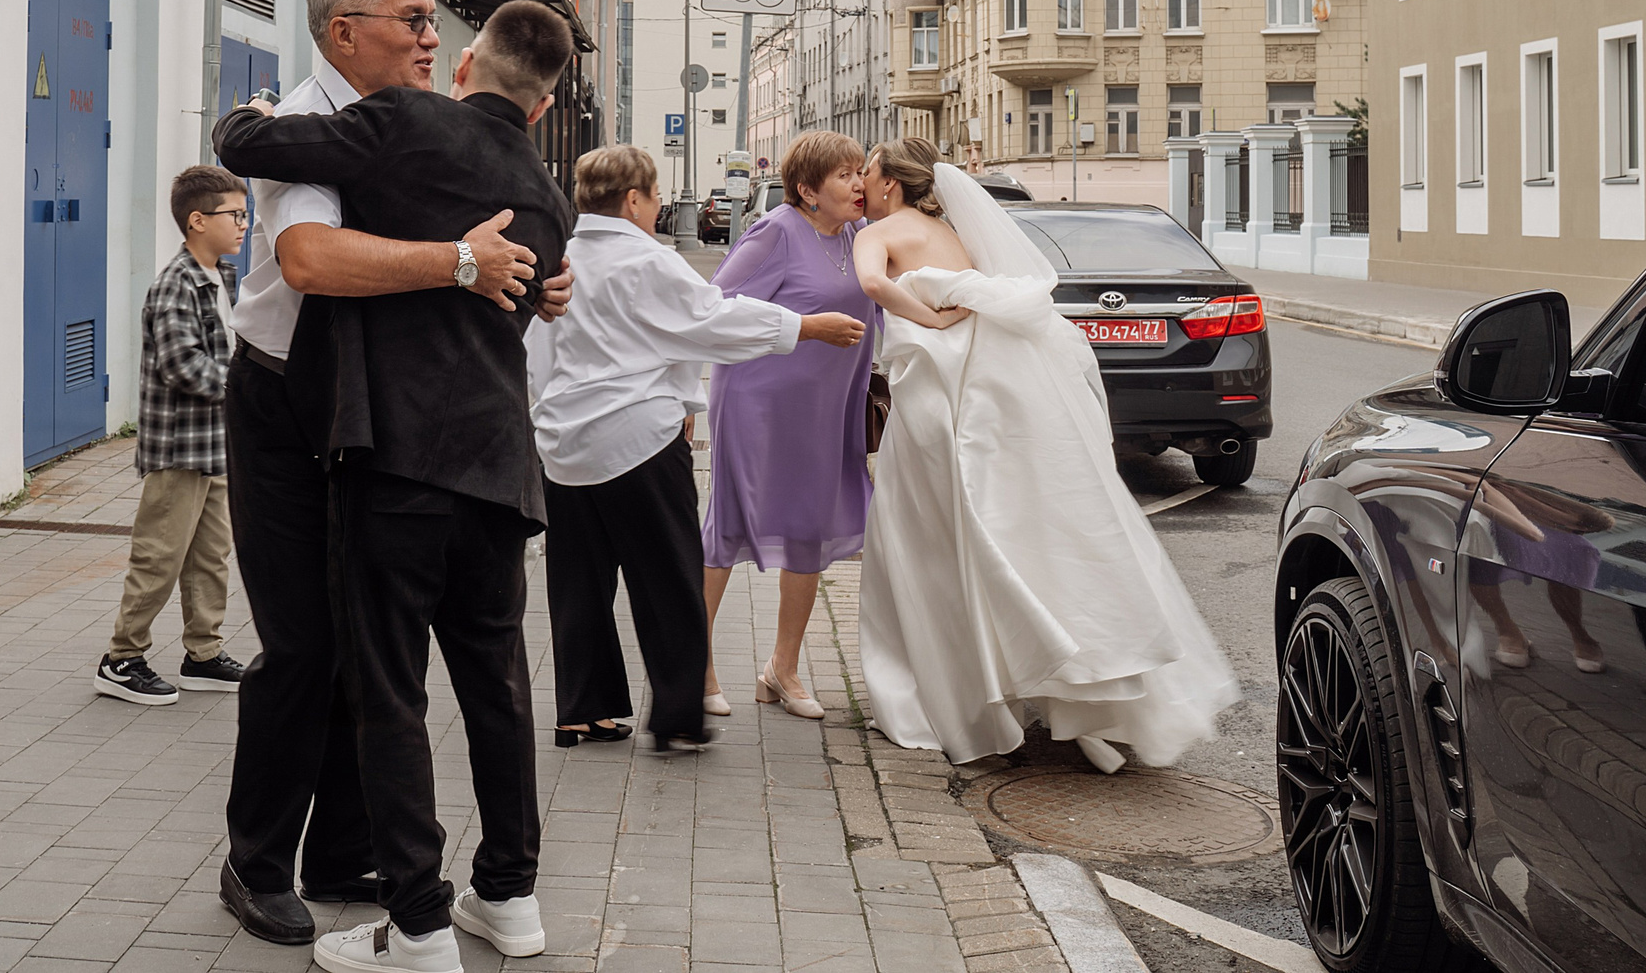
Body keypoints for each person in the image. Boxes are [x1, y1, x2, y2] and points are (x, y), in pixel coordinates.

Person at [216, 0, 578, 973]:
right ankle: (508, 894)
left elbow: (249, 141)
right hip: (500, 466)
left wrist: (246, 113)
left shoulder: (407, 119)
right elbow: (512, 314)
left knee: (389, 689)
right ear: (542, 108)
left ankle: (416, 924)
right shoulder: (551, 195)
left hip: (396, 459)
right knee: (498, 685)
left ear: (464, 64)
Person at [851, 136, 1240, 768]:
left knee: (922, 544)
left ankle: (947, 695)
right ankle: (1038, 672)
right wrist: (951, 314)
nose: (860, 185)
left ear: (891, 183)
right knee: (994, 532)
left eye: (866, 174)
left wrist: (928, 320)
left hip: (932, 399)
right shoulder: (954, 234)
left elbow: (873, 283)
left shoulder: (880, 232)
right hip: (983, 391)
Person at [527, 145, 863, 752]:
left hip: (565, 444)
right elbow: (709, 319)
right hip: (635, 437)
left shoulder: (563, 259)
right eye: (655, 197)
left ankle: (583, 709)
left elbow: (536, 355)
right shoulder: (648, 261)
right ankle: (679, 716)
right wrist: (804, 327)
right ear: (633, 200)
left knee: (578, 581)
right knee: (669, 579)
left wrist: (541, 424)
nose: (658, 209)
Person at [699, 129, 881, 723]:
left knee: (809, 526)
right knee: (728, 524)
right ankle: (695, 665)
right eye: (845, 174)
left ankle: (782, 670)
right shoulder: (776, 230)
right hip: (757, 398)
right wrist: (803, 324)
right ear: (806, 189)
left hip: (827, 405)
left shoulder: (858, 236)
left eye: (861, 171)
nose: (860, 183)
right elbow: (712, 306)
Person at [92, 165, 250, 707]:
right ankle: (121, 658)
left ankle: (202, 655)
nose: (244, 224)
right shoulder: (176, 284)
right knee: (160, 555)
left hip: (216, 445)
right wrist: (247, 391)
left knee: (211, 555)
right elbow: (184, 365)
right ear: (197, 220)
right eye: (235, 214)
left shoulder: (220, 277)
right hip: (181, 448)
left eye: (246, 214)